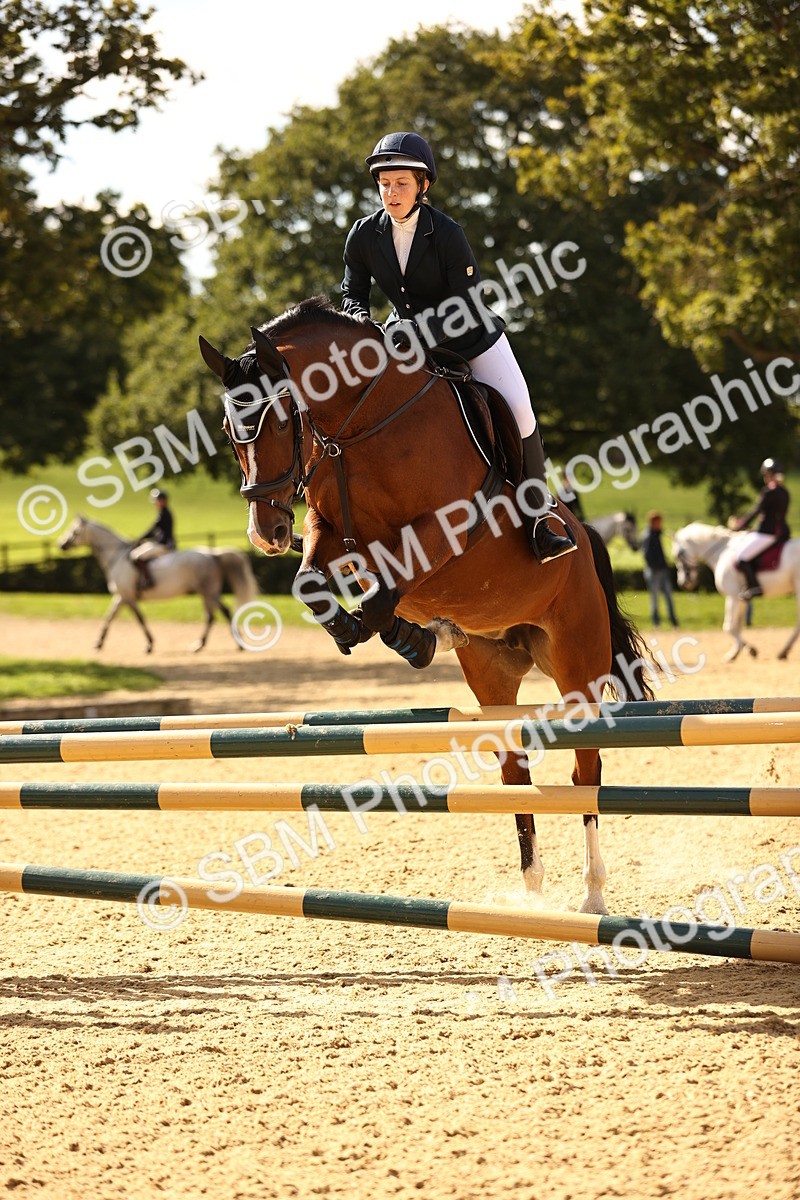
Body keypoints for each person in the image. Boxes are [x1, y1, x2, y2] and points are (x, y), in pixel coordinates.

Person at [340, 130, 575, 564]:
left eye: (401, 184)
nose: (391, 193)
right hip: (403, 338)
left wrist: (416, 335)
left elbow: (466, 305)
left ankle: (540, 516)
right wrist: (359, 320)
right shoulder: (364, 234)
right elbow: (353, 292)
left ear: (422, 186)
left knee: (521, 410)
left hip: (469, 337)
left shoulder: (447, 233)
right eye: (384, 184)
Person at [731, 458, 791, 599]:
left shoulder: (769, 491)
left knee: (741, 557)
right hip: (783, 532)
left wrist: (741, 525)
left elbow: (756, 511)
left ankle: (754, 586)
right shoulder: (785, 492)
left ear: (769, 475)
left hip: (767, 533)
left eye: (766, 474)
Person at [130, 488, 176, 593]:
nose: (155, 503)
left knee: (137, 558)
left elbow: (153, 529)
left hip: (164, 545)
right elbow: (158, 531)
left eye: (156, 500)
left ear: (162, 501)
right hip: (162, 542)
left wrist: (140, 539)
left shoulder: (164, 513)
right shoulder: (164, 512)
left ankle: (148, 580)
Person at [641, 511, 679, 628]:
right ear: (653, 522)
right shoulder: (648, 535)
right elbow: (646, 555)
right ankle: (656, 622)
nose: (660, 524)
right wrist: (656, 567)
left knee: (669, 597)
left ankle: (674, 622)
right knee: (655, 598)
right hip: (654, 572)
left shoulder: (657, 534)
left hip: (663, 570)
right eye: (658, 522)